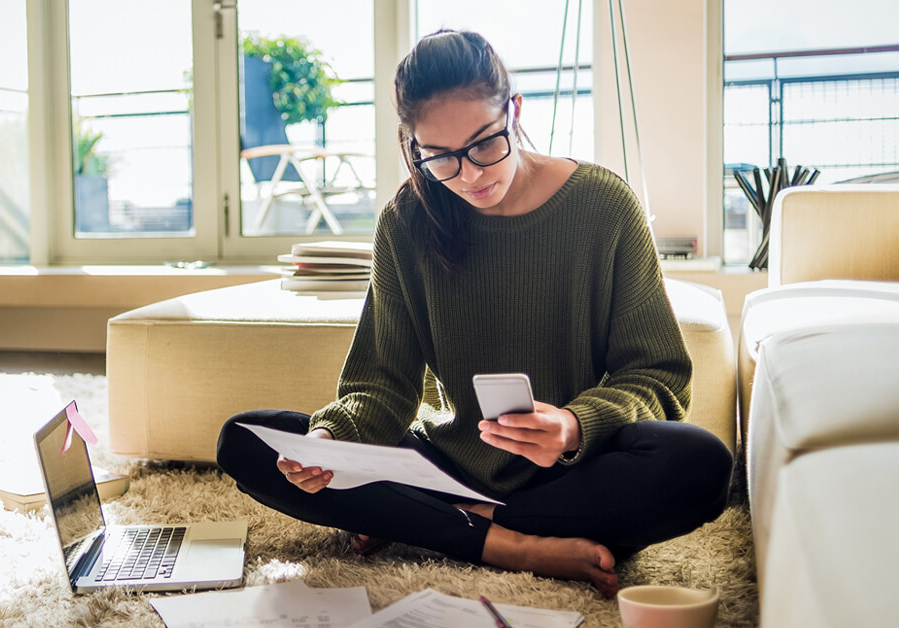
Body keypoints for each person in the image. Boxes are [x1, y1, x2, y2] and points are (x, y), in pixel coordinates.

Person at [215, 29, 732, 598]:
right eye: (439, 157)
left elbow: (658, 374)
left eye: (486, 144)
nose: (470, 175)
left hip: (565, 475)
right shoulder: (406, 223)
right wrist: (334, 436)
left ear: (513, 111)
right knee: (246, 440)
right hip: (442, 465)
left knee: (700, 464)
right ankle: (510, 544)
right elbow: (382, 385)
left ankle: (435, 524)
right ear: (414, 146)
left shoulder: (605, 207)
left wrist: (575, 426)